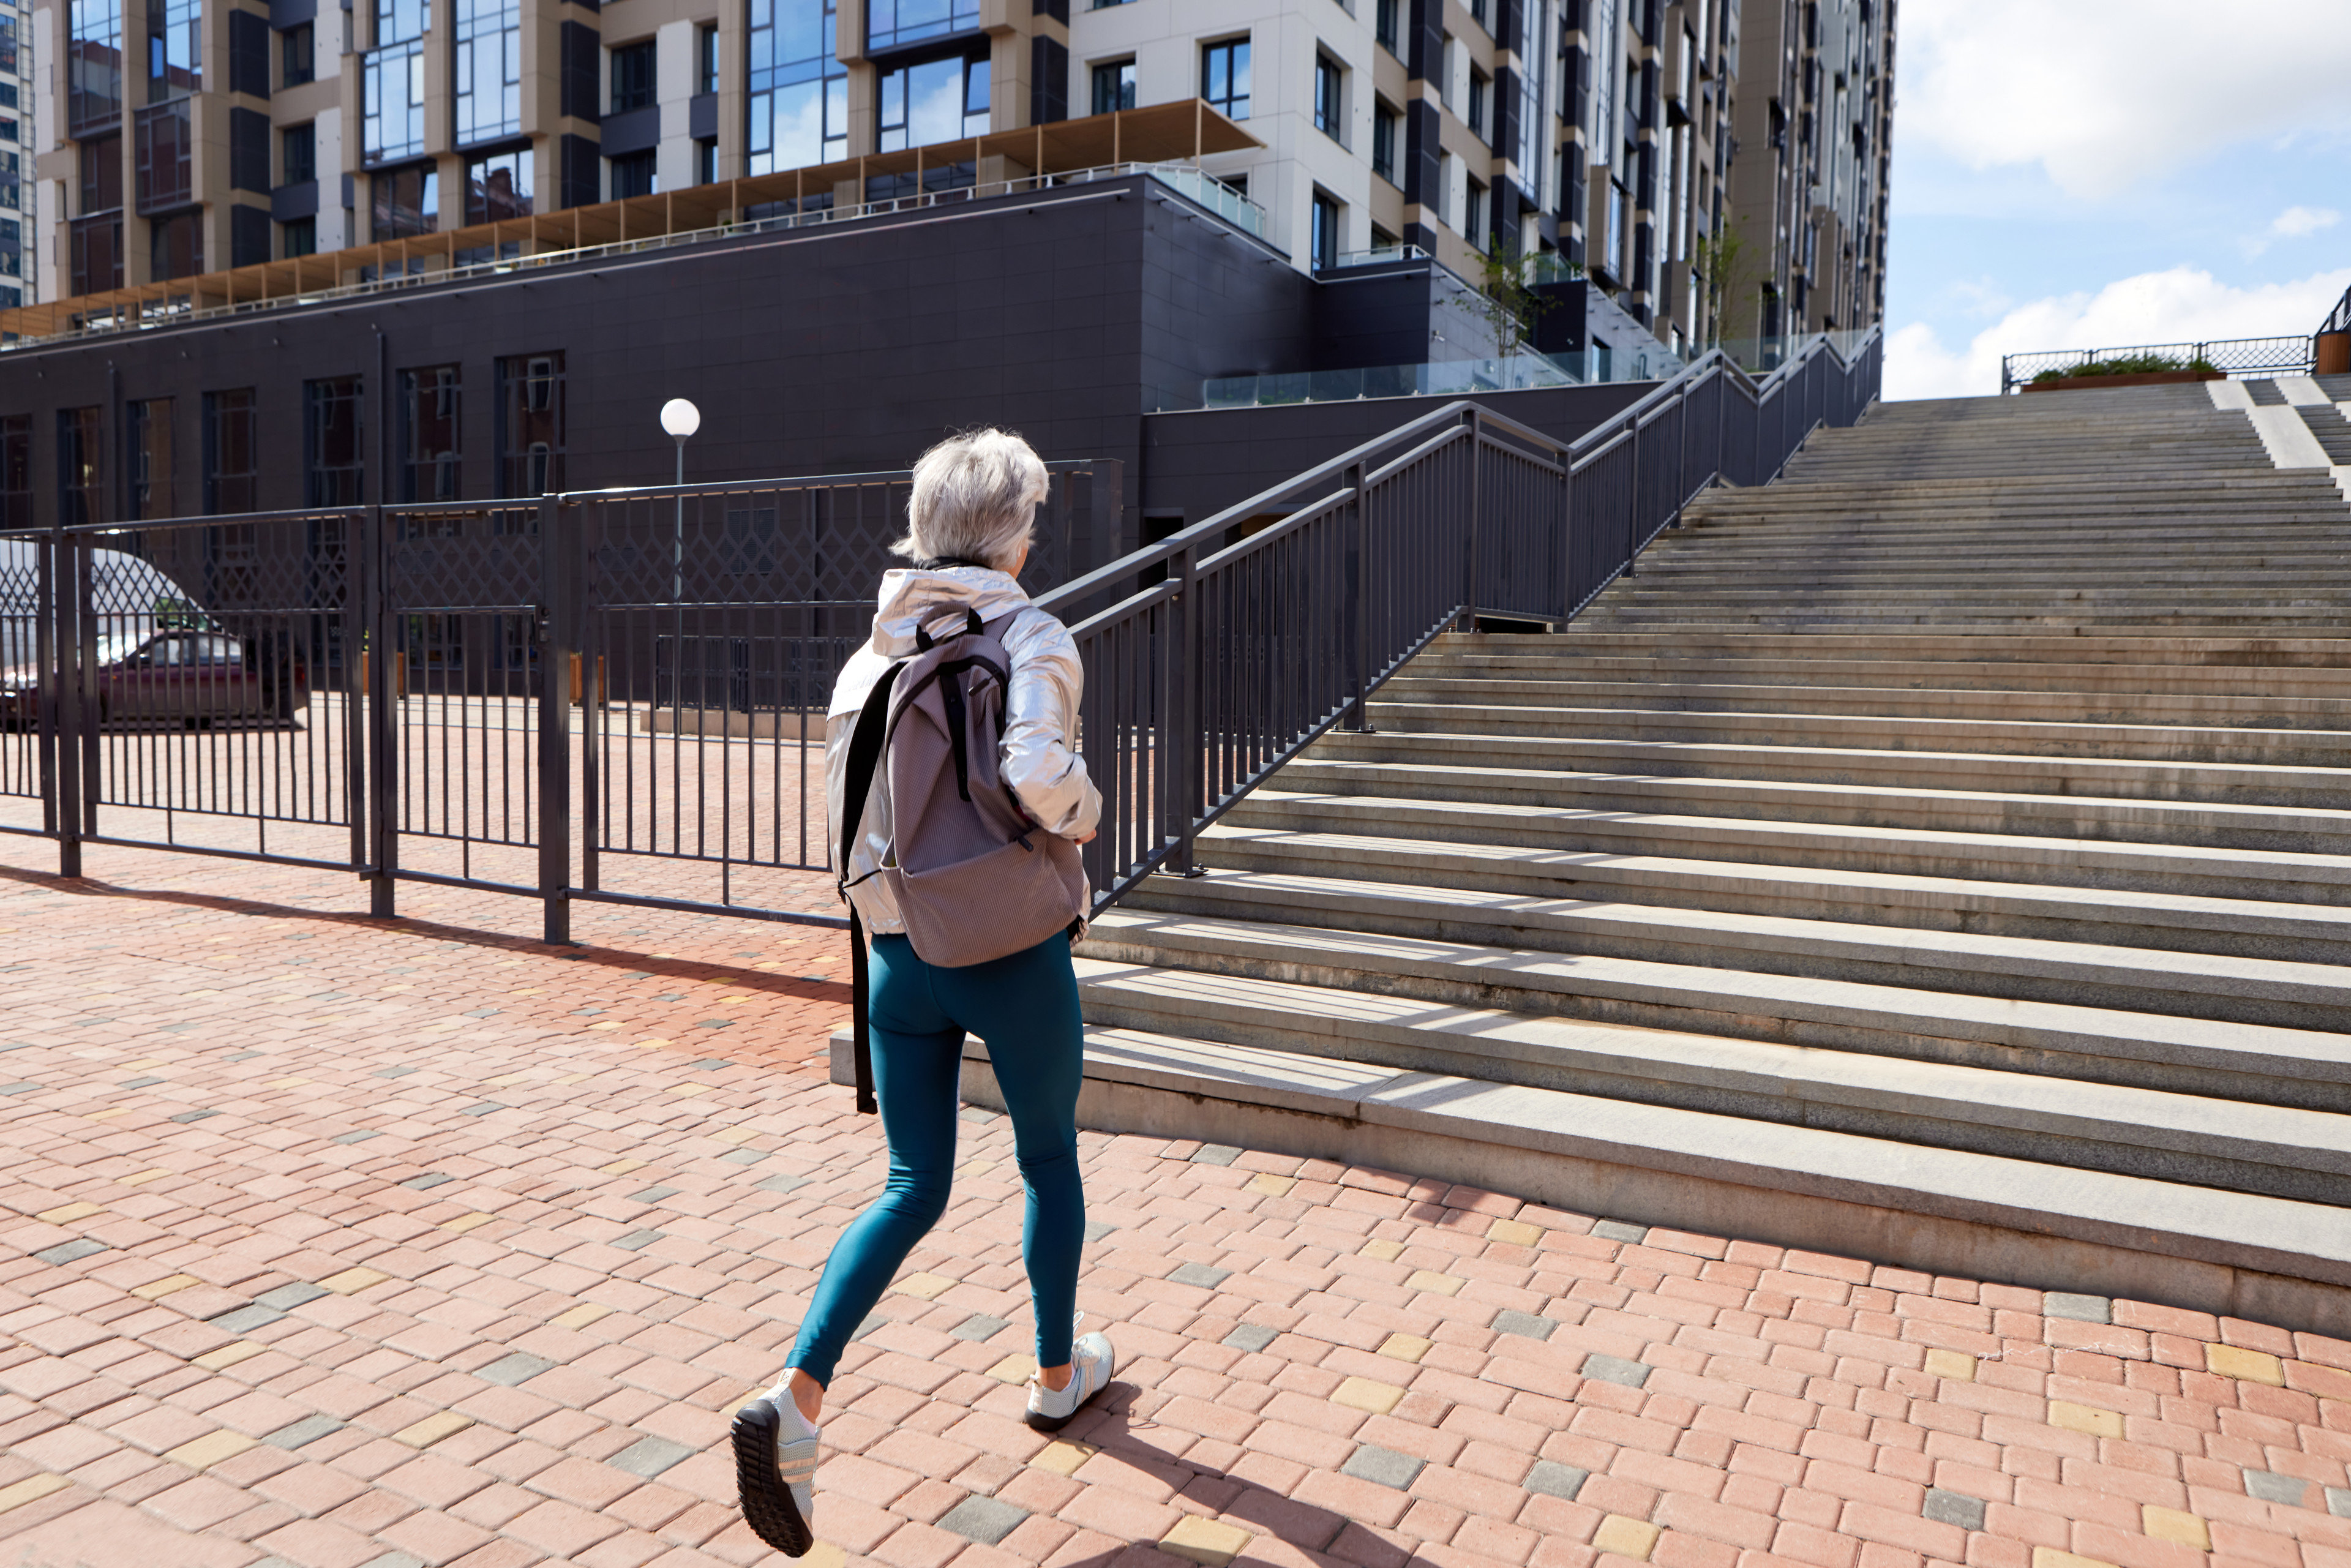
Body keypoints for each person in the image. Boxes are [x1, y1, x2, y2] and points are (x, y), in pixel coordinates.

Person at [732, 429, 1115, 1559]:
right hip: (1010, 947)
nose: (1037, 534)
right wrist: (1088, 817)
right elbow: (1040, 774)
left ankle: (797, 1396)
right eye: (1032, 517)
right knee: (1047, 1156)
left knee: (912, 1183)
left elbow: (856, 815)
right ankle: (1056, 1373)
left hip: (900, 955)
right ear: (1008, 534)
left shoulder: (873, 653)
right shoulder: (1031, 630)